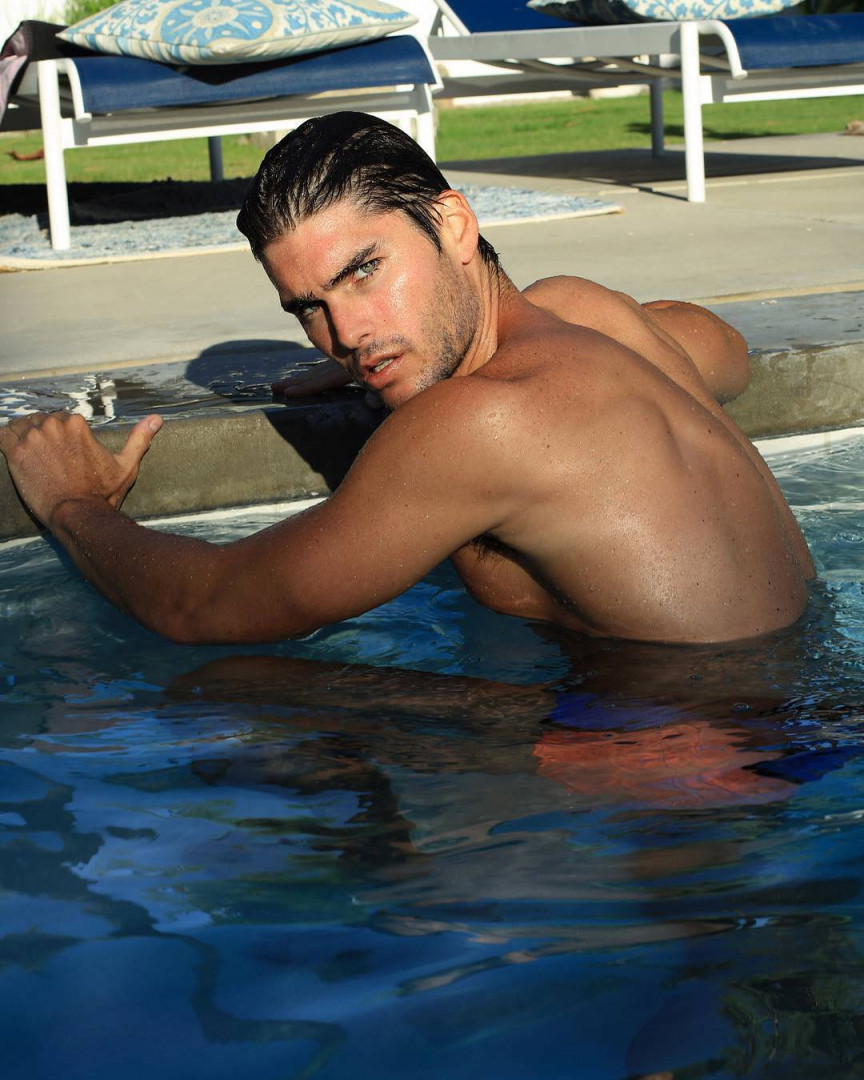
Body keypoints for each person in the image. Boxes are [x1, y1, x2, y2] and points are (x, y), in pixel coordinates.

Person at [0, 112, 814, 646]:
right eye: (310, 308)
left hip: (687, 776)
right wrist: (399, 351)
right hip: (805, 702)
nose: (346, 334)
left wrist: (74, 505)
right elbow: (727, 349)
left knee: (234, 691)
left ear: (454, 225)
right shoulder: (586, 312)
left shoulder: (474, 426)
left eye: (364, 271)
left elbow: (201, 606)